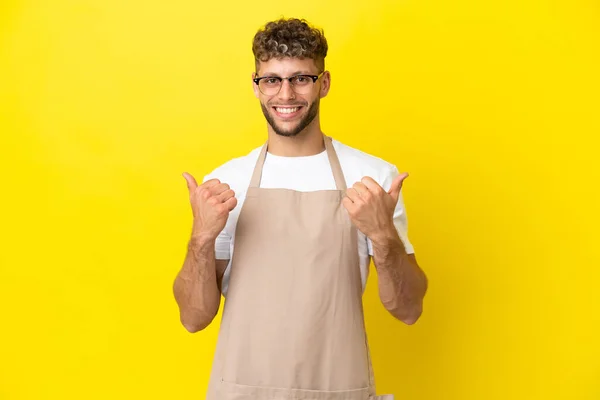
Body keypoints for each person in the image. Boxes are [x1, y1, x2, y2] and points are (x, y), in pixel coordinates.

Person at [173, 17, 428, 400]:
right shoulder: (227, 183)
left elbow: (408, 309)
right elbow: (193, 319)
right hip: (243, 391)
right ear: (257, 87)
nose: (286, 94)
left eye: (301, 78)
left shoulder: (372, 177)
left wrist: (382, 235)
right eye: (272, 79)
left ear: (323, 83)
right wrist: (201, 237)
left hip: (337, 390)